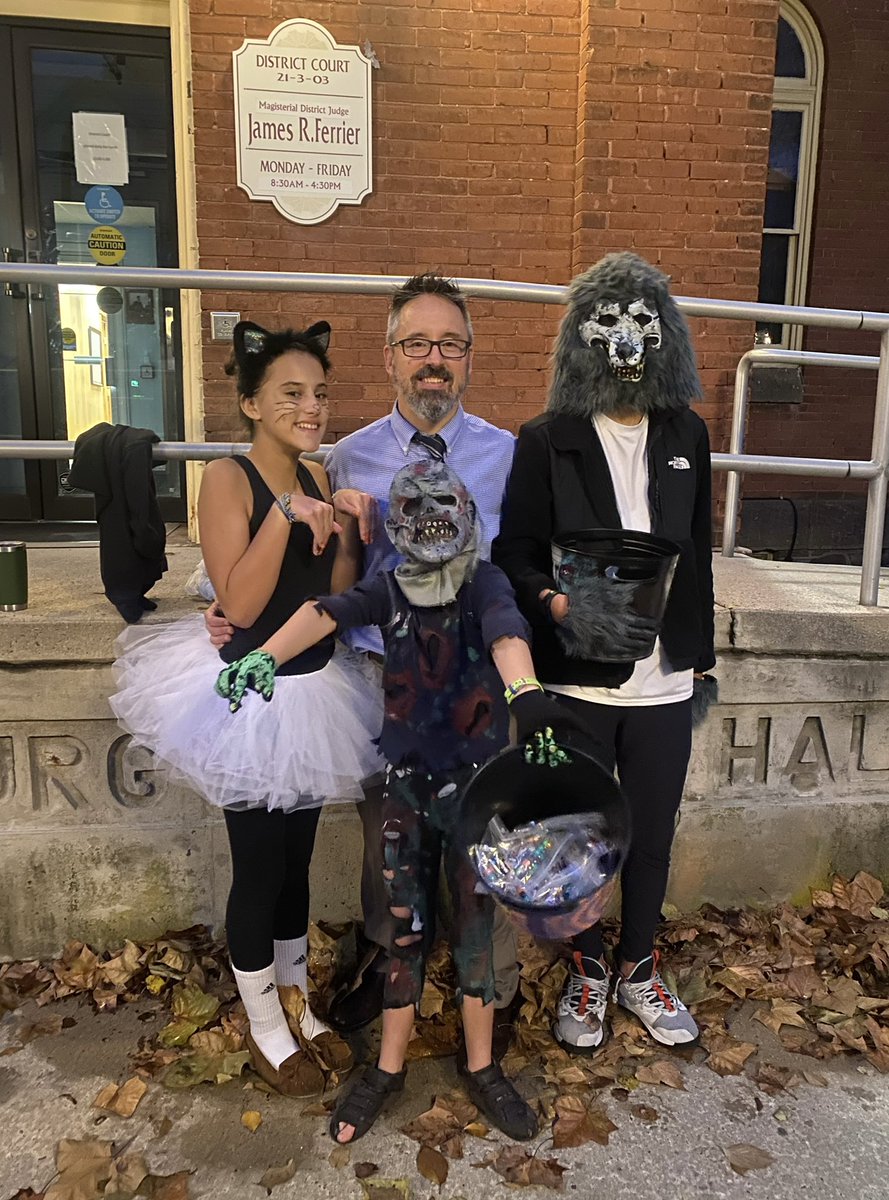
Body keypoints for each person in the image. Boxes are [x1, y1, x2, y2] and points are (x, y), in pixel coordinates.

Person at [216, 459, 578, 1143]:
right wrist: (263, 654)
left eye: (447, 500)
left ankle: (481, 1064)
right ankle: (386, 1066)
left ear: (468, 512)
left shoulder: (483, 584)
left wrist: (525, 695)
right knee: (404, 933)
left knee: (474, 931)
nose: (432, 512)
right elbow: (325, 610)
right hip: (405, 793)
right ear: (396, 521)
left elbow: (506, 631)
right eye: (415, 502)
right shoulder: (388, 589)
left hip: (474, 798)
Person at [207, 273, 521, 1038]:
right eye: (417, 344)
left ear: (470, 357)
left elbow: (522, 567)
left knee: (483, 840)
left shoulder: (510, 456)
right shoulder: (342, 459)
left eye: (449, 344)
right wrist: (217, 608)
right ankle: (386, 964)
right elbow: (303, 566)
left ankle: (493, 981)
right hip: (379, 674)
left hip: (475, 679)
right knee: (388, 839)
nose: (433, 359)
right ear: (389, 357)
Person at [110, 320, 383, 1096]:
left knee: (295, 864)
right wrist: (283, 518)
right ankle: (263, 1019)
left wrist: (351, 525)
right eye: (291, 394)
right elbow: (240, 597)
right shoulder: (229, 479)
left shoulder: (323, 478)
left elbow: (338, 596)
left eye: (320, 394)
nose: (312, 407)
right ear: (253, 403)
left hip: (316, 690)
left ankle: (297, 1003)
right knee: (259, 867)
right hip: (252, 698)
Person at [492, 252, 717, 1055]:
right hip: (576, 680)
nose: (627, 344)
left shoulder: (688, 432)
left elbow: (699, 550)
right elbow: (513, 550)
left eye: (641, 325)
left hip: (664, 682)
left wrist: (701, 655)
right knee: (578, 837)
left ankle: (637, 967)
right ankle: (588, 970)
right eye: (607, 325)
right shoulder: (545, 439)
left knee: (652, 836)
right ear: (581, 340)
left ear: (666, 336)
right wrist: (556, 601)